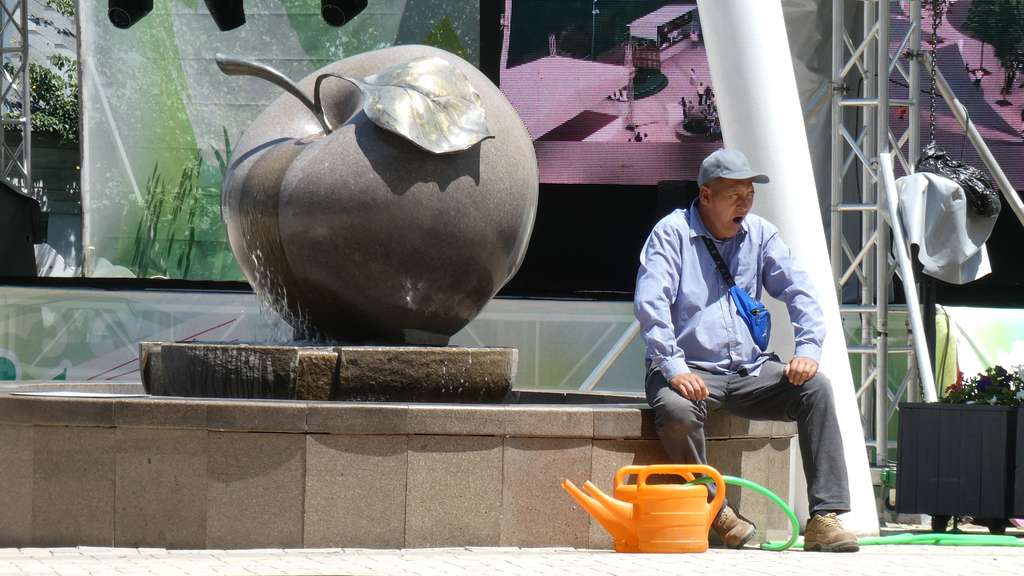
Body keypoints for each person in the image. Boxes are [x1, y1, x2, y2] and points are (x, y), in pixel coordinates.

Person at [634, 148, 859, 553]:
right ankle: (715, 508)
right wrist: (674, 366)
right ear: (706, 196)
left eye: (750, 195)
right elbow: (651, 305)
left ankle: (825, 517)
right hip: (689, 368)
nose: (745, 204)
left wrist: (807, 349)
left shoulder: (761, 234)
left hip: (750, 370)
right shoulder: (671, 233)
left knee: (816, 389)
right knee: (677, 410)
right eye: (735, 196)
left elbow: (801, 292)